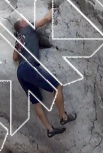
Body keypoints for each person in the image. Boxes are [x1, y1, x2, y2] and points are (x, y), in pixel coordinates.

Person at [13, 7, 76, 138]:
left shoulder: (19, 39)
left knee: (36, 101)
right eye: (23, 19)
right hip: (29, 66)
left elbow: (14, 57)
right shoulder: (29, 28)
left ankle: (50, 129)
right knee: (57, 86)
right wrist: (52, 9)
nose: (26, 19)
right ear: (22, 25)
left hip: (20, 72)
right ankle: (63, 116)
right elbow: (46, 19)